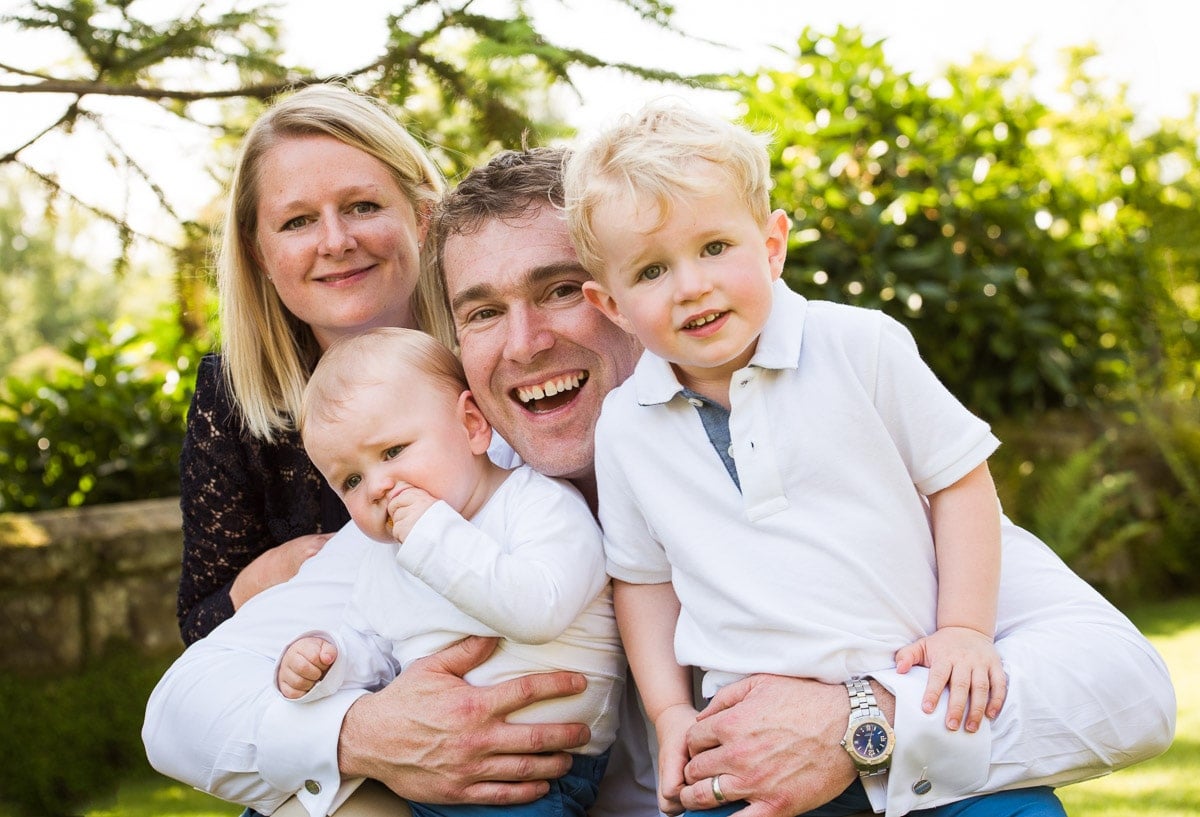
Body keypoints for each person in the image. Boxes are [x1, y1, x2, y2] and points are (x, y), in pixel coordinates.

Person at [144, 147, 1176, 817]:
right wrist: (356, 731)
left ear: (628, 299)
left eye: (561, 293)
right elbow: (183, 709)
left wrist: (864, 724)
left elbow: (1127, 687)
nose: (529, 340)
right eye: (485, 310)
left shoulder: (824, 446)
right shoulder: (434, 520)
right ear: (456, 353)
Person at [560, 100, 1075, 817]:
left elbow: (958, 479)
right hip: (745, 746)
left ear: (772, 246)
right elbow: (644, 582)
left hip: (914, 706)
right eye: (651, 270)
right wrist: (671, 711)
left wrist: (963, 628)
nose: (691, 285)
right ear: (610, 304)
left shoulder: (858, 346)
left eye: (714, 248)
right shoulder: (624, 425)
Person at [275, 327, 624, 817]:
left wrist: (432, 537)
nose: (377, 486)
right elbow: (372, 647)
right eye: (350, 480)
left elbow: (538, 611)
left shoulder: (539, 504)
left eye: (393, 452)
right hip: (418, 767)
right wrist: (327, 661)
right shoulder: (385, 559)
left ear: (472, 425)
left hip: (535, 774)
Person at [176, 81, 454, 645]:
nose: (335, 240)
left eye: (362, 206)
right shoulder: (231, 403)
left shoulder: (491, 351)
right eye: (298, 221)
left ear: (422, 219)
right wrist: (257, 584)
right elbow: (198, 627)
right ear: (260, 253)